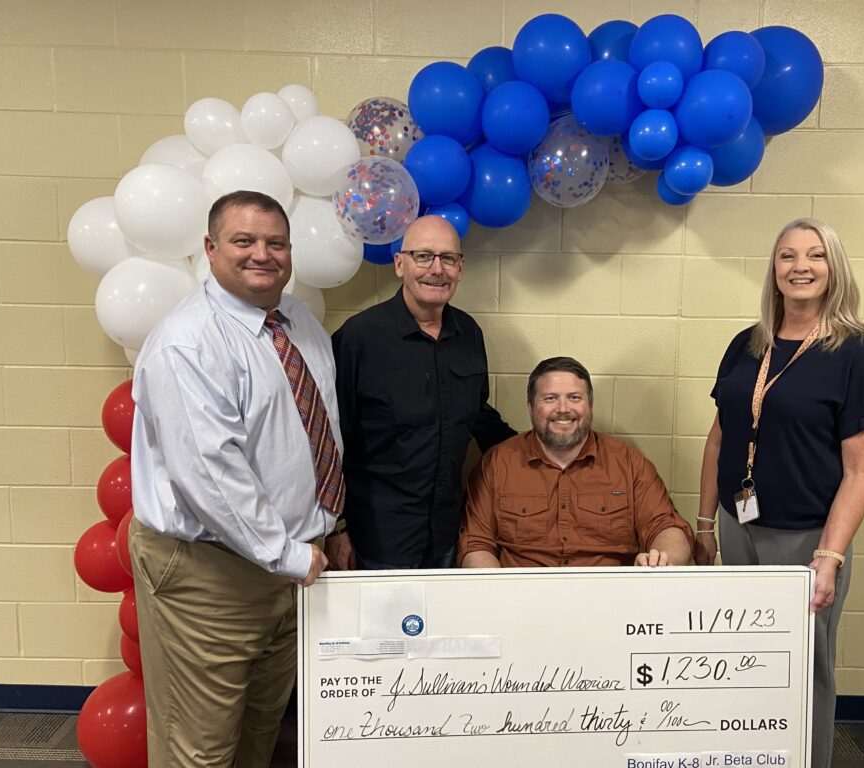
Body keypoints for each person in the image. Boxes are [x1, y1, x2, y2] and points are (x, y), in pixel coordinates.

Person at [129, 190, 351, 766]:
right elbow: (210, 474)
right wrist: (288, 553)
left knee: (259, 737)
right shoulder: (188, 342)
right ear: (210, 248)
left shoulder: (298, 322)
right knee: (199, 751)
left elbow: (314, 434)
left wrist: (331, 525)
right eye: (243, 241)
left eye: (276, 242)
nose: (262, 255)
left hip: (286, 567)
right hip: (211, 575)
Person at [695, 218, 864, 768]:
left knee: (806, 667)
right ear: (773, 269)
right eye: (787, 256)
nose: (800, 267)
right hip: (740, 528)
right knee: (743, 660)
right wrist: (705, 525)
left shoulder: (856, 353)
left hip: (807, 539)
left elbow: (861, 470)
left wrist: (829, 557)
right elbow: (721, 436)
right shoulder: (747, 343)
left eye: (815, 256)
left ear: (834, 270)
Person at [332, 215, 515, 569]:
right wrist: (336, 528)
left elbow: (478, 415)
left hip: (448, 534)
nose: (437, 269)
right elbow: (329, 440)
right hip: (377, 540)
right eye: (423, 256)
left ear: (460, 268)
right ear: (400, 264)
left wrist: (539, 451)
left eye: (448, 258)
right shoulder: (359, 338)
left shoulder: (469, 334)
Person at [460, 356, 694, 568]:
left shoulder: (628, 462)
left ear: (589, 405)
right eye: (550, 398)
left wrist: (662, 560)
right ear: (530, 407)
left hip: (609, 601)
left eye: (574, 398)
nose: (563, 409)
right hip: (524, 602)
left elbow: (666, 527)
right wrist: (498, 598)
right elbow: (476, 545)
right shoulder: (496, 464)